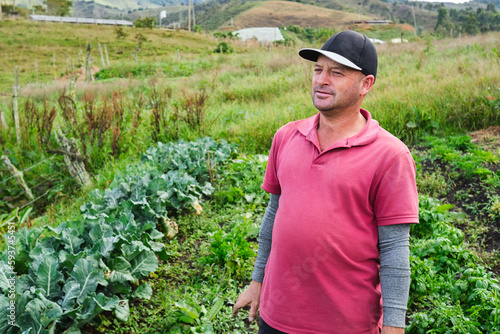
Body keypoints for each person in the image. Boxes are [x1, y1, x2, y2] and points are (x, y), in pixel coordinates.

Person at [232, 30, 419, 334]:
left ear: (365, 84)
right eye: (318, 69)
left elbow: (395, 248)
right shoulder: (286, 137)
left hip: (345, 324)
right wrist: (257, 283)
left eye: (337, 73)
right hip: (275, 316)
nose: (321, 80)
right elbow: (273, 216)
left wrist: (395, 326)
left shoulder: (390, 155)